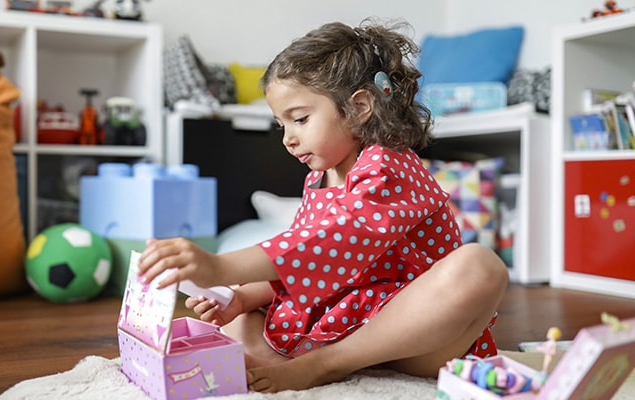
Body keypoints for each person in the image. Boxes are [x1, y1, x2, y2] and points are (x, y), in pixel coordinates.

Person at [138, 17, 509, 393]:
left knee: (480, 266)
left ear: (359, 107)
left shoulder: (388, 165)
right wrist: (242, 296)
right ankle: (312, 352)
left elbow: (326, 247)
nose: (288, 139)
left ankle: (326, 364)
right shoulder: (319, 176)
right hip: (349, 318)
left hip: (417, 337)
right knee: (236, 323)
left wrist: (218, 266)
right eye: (281, 125)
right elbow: (310, 264)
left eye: (299, 119)